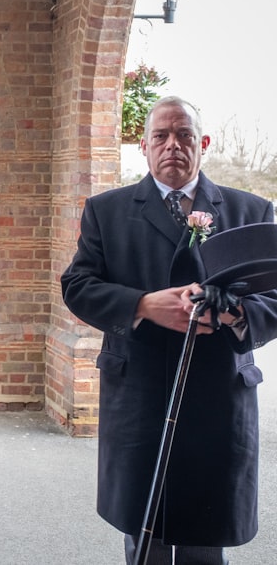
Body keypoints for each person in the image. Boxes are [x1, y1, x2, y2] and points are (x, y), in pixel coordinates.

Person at [61, 96, 277, 564]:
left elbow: (272, 297)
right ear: (144, 146)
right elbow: (77, 286)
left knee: (205, 532)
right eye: (161, 136)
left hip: (219, 391)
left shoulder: (252, 211)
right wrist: (142, 304)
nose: (172, 145)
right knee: (146, 532)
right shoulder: (106, 210)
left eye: (183, 135)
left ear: (203, 143)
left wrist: (234, 313)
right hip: (140, 389)